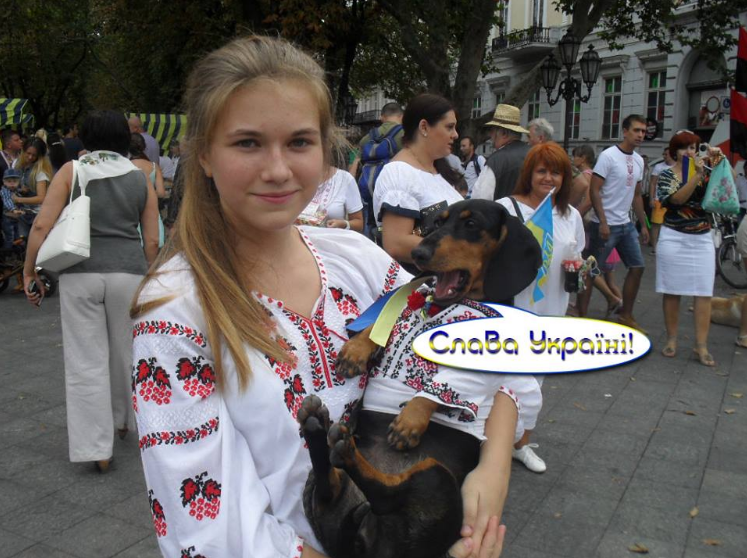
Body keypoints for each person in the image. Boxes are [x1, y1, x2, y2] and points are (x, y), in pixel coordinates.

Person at [128, 36, 508, 558]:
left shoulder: (355, 257)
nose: (278, 169)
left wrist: (491, 473)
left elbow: (490, 343)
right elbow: (206, 521)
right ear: (205, 156)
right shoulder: (176, 309)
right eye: (248, 143)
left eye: (299, 142)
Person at [22, 109, 160, 472]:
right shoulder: (139, 176)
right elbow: (151, 240)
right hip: (128, 273)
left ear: (86, 136)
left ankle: (96, 449)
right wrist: (152, 278)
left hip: (80, 273)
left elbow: (42, 225)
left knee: (86, 360)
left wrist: (29, 270)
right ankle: (126, 421)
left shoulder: (72, 171)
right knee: (128, 353)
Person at [496, 142, 585, 473]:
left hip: (552, 308)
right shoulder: (506, 209)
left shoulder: (571, 215)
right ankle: (492, 443)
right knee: (505, 377)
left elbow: (575, 253)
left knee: (535, 381)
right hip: (513, 308)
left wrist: (576, 267)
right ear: (529, 174)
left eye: (556, 172)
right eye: (542, 171)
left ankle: (521, 444)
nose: (549, 178)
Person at [576, 114, 650, 333]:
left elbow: (637, 194)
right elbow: (594, 190)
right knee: (590, 271)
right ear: (625, 131)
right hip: (604, 224)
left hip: (626, 225)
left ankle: (626, 314)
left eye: (643, 131)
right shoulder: (608, 156)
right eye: (636, 130)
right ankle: (581, 316)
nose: (640, 135)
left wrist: (644, 224)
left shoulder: (639, 160)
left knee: (638, 267)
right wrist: (603, 221)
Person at [373, 93, 464, 268]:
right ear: (424, 127)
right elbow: (396, 244)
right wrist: (466, 253)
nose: (455, 135)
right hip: (419, 282)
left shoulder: (437, 170)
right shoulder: (399, 173)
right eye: (449, 127)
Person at [655, 131, 720, 366]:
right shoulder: (666, 175)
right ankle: (672, 339)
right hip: (673, 236)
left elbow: (728, 184)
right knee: (672, 289)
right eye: (684, 148)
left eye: (693, 147)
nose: (689, 152)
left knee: (703, 291)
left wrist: (719, 160)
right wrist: (696, 175)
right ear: (675, 151)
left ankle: (701, 345)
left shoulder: (707, 172)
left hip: (702, 237)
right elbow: (676, 200)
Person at [571, 144, 623, 318]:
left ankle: (612, 299)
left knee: (586, 267)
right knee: (598, 270)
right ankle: (616, 304)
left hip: (587, 227)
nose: (573, 159)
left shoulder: (586, 176)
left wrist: (574, 217)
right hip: (597, 224)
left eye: (575, 156)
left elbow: (588, 201)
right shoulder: (594, 174)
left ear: (583, 158)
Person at [471, 104, 530, 201]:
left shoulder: (496, 160)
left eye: (492, 130)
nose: (490, 135)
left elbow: (480, 199)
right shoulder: (534, 154)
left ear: (504, 134)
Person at [298, 166, 364, 231]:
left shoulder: (344, 178)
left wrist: (343, 224)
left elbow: (358, 223)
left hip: (330, 236)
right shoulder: (296, 177)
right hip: (298, 236)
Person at [130, 133, 166, 247]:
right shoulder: (154, 166)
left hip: (131, 213)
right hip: (152, 212)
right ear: (144, 147)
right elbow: (161, 193)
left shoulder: (125, 165)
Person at [13, 137, 52, 238]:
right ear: (23, 150)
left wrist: (18, 199)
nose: (30, 157)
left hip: (35, 216)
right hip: (19, 213)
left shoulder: (40, 172)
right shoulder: (16, 164)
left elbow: (41, 198)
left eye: (34, 155)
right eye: (28, 153)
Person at [648, 147, 675, 253]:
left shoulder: (678, 166)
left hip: (672, 200)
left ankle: (668, 247)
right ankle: (654, 248)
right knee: (656, 224)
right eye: (663, 154)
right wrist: (651, 198)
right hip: (659, 200)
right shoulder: (658, 167)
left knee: (670, 225)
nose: (664, 156)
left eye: (666, 154)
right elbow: (652, 183)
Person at [1, 168, 23, 249]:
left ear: (18, 182)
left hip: (14, 217)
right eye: (9, 181)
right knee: (10, 236)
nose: (12, 184)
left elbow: (18, 192)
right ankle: (8, 251)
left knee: (17, 234)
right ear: (4, 182)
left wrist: (22, 191)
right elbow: (7, 201)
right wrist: (13, 209)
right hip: (7, 217)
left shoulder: (15, 190)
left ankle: (17, 249)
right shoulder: (4, 191)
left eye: (15, 181)